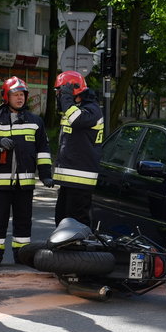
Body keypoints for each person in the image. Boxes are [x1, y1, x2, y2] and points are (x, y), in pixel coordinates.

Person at [0, 77, 53, 267]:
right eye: (15, 95)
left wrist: (46, 174)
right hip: (1, 181)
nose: (20, 98)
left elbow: (43, 150)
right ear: (6, 97)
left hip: (25, 183)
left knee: (23, 220)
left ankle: (21, 255)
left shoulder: (35, 121)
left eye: (22, 95)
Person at [53, 70, 104, 227]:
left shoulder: (92, 110)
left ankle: (80, 252)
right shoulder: (76, 108)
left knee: (76, 224)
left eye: (61, 93)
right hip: (68, 179)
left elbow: (77, 119)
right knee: (61, 220)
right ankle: (65, 252)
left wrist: (67, 98)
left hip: (81, 178)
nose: (59, 97)